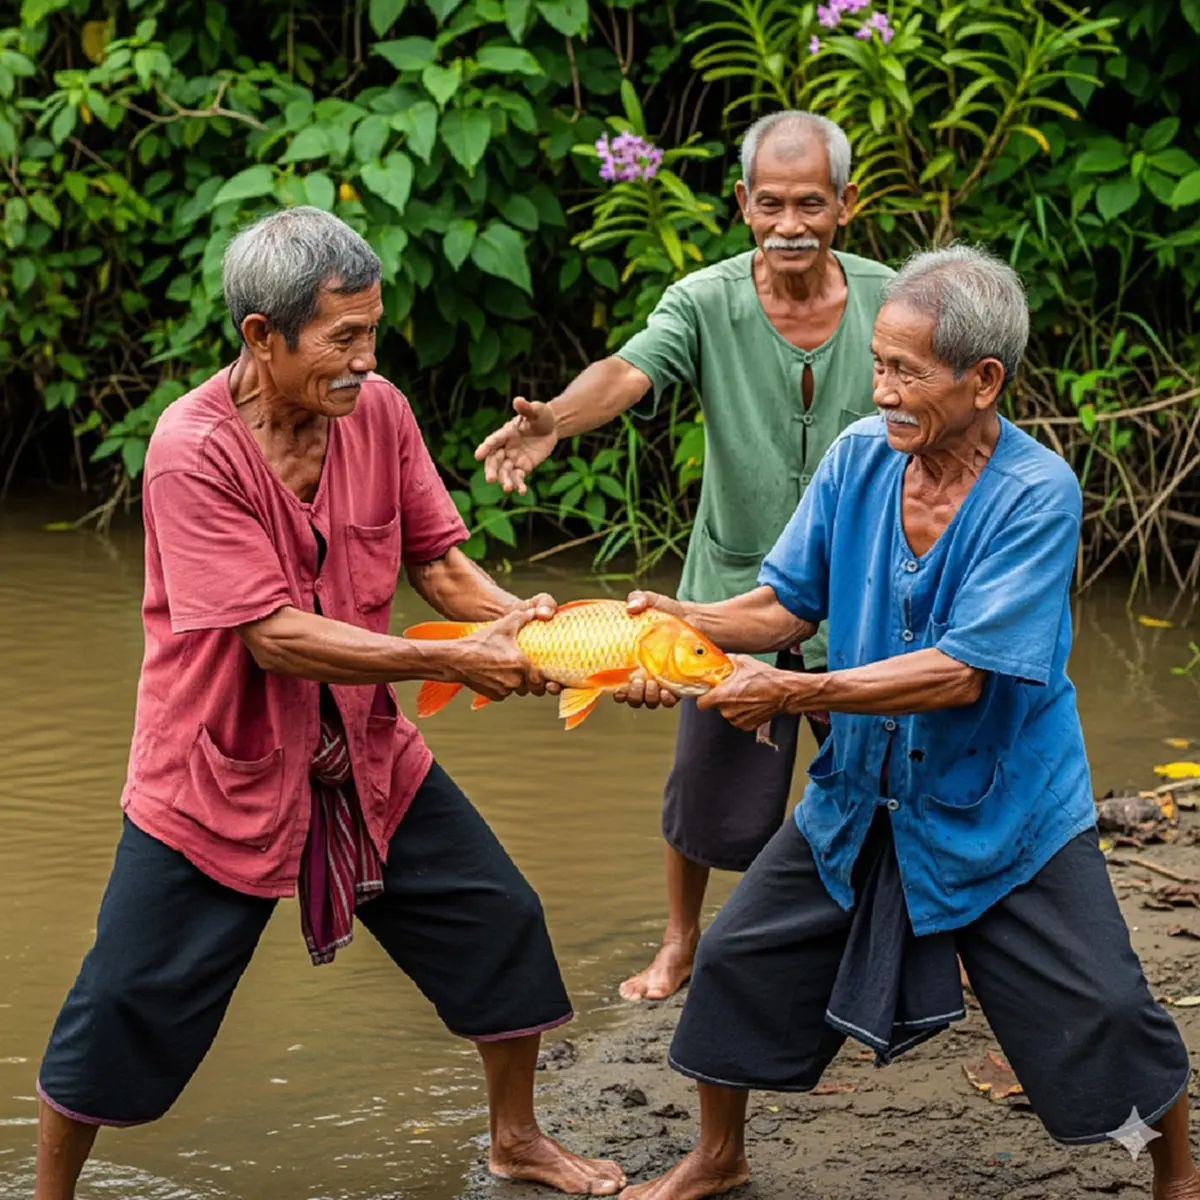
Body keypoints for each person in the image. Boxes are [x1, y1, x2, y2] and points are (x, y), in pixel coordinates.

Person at [33, 206, 628, 1200]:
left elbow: (437, 562)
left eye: (372, 332)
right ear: (261, 337)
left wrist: (531, 632)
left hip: (368, 754)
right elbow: (271, 637)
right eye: (340, 337)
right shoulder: (193, 450)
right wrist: (452, 662)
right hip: (218, 772)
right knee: (127, 995)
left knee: (502, 919)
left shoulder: (379, 413)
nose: (364, 359)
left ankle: (516, 1140)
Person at [612, 244, 1200, 1200]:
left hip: (1003, 805)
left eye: (902, 371)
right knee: (737, 954)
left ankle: (1174, 1173)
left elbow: (963, 673)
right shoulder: (858, 460)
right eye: (877, 364)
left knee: (1104, 1004)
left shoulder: (1035, 492)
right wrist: (679, 622)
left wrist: (792, 693)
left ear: (984, 381)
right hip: (863, 793)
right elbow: (783, 605)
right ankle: (718, 1157)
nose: (878, 388)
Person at [475, 109, 894, 1003]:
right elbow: (628, 372)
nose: (790, 225)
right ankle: (679, 942)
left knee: (894, 777)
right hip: (727, 598)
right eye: (771, 203)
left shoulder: (892, 300)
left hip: (863, 603)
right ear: (742, 204)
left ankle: (916, 941)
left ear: (845, 206)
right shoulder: (704, 300)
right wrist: (556, 417)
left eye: (810, 204)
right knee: (703, 795)